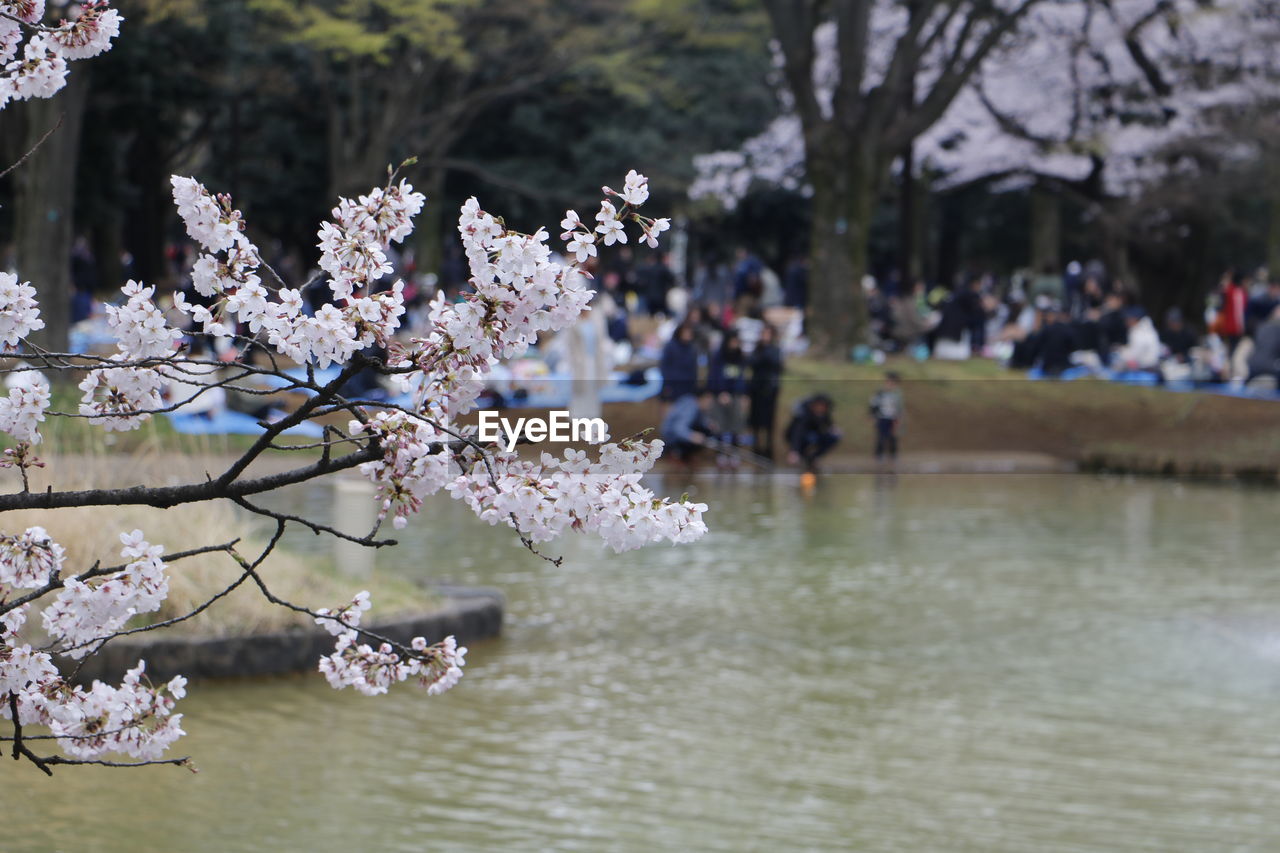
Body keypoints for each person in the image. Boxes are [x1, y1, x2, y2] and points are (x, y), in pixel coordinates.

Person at [747, 324, 784, 458]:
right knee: (756, 419)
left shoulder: (775, 350)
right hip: (757, 389)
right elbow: (751, 362)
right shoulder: (757, 349)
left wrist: (765, 354)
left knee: (769, 420)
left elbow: (777, 364)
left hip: (770, 390)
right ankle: (756, 447)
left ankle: (769, 448)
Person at [707, 331, 748, 447]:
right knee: (720, 424)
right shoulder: (718, 356)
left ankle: (734, 451)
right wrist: (720, 392)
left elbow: (741, 377)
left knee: (735, 424)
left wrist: (741, 393)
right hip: (720, 395)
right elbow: (714, 375)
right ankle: (721, 452)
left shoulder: (740, 357)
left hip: (735, 395)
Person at [785, 393, 840, 472]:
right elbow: (797, 433)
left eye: (824, 407)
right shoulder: (803, 415)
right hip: (798, 438)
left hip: (814, 436)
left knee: (835, 436)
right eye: (820, 406)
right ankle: (801, 457)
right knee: (810, 438)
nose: (822, 409)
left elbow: (829, 423)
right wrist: (794, 451)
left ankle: (813, 458)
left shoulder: (824, 413)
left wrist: (833, 429)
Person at [660, 389, 716, 467]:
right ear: (702, 399)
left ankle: (686, 455)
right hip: (671, 436)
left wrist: (708, 424)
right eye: (709, 401)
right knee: (699, 435)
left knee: (707, 431)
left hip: (680, 433)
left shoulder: (697, 406)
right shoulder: (690, 406)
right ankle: (676, 453)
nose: (710, 404)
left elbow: (701, 421)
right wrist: (692, 436)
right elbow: (678, 428)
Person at [659, 322, 700, 403]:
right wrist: (668, 385)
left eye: (689, 333)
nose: (687, 335)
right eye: (685, 332)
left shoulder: (693, 348)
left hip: (688, 387)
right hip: (673, 386)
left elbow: (694, 369)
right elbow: (664, 367)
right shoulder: (670, 347)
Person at [868, 372, 904, 463]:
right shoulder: (880, 392)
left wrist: (898, 418)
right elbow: (873, 403)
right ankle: (879, 454)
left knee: (893, 436)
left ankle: (893, 454)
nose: (890, 384)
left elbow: (899, 407)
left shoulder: (897, 393)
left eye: (893, 382)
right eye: (889, 382)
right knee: (881, 436)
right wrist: (872, 415)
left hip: (892, 418)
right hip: (881, 417)